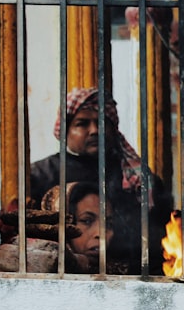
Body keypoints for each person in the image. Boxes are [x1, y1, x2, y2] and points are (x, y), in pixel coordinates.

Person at [29, 87, 171, 274]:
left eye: (102, 122)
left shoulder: (137, 179)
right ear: (65, 131)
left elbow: (164, 235)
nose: (95, 130)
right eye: (82, 124)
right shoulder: (39, 175)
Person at [0, 181, 115, 274]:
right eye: (87, 221)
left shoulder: (122, 272)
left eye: (108, 224)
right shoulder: (33, 266)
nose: (101, 233)